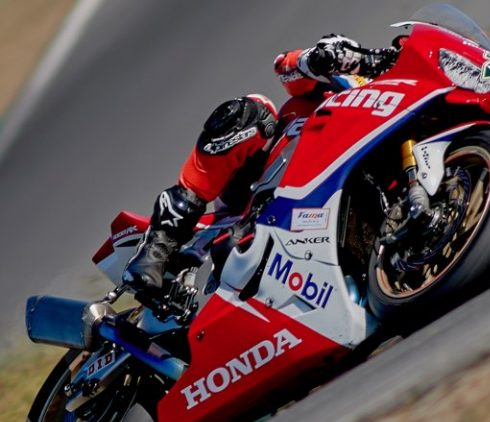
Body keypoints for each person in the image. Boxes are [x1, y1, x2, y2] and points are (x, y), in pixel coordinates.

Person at [121, 35, 399, 301]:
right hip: (260, 189)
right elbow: (285, 67)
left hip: (330, 226)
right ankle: (158, 245)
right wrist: (323, 58)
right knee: (252, 111)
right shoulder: (359, 67)